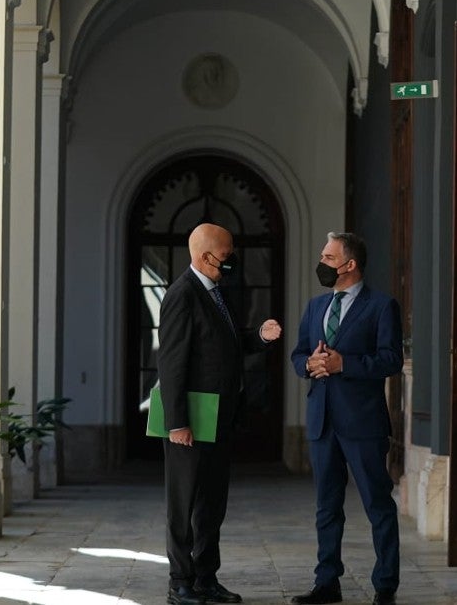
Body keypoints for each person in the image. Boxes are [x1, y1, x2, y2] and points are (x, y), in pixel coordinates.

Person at [159, 222, 282, 605]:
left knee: (212, 503)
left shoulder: (215, 291)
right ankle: (180, 582)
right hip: (191, 420)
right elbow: (172, 363)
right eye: (227, 256)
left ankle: (206, 579)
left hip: (219, 416)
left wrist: (259, 337)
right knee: (183, 504)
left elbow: (225, 344)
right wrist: (176, 422)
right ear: (204, 256)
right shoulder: (183, 294)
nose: (232, 262)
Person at [290, 232, 403, 605]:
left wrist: (344, 364)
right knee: (326, 506)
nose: (321, 263)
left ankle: (385, 585)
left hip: (364, 423)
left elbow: (391, 360)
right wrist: (310, 363)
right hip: (322, 421)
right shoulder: (315, 306)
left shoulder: (382, 306)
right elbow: (298, 355)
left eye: (328, 256)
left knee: (377, 503)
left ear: (349, 264)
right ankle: (327, 583)